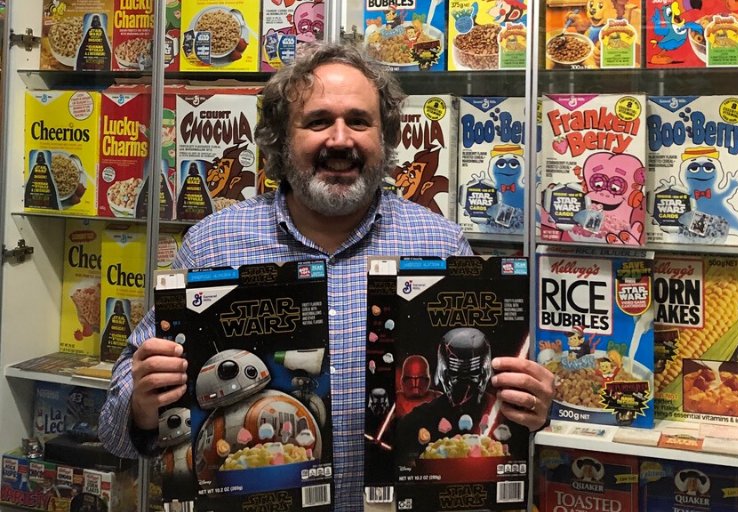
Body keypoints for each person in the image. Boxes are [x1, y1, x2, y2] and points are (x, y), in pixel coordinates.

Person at [98, 40, 556, 510]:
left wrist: (532, 406)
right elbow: (115, 430)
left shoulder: (440, 244)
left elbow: (498, 408)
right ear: (281, 138)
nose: (340, 140)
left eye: (359, 121)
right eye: (317, 122)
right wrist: (143, 404)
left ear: (384, 137)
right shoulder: (213, 243)